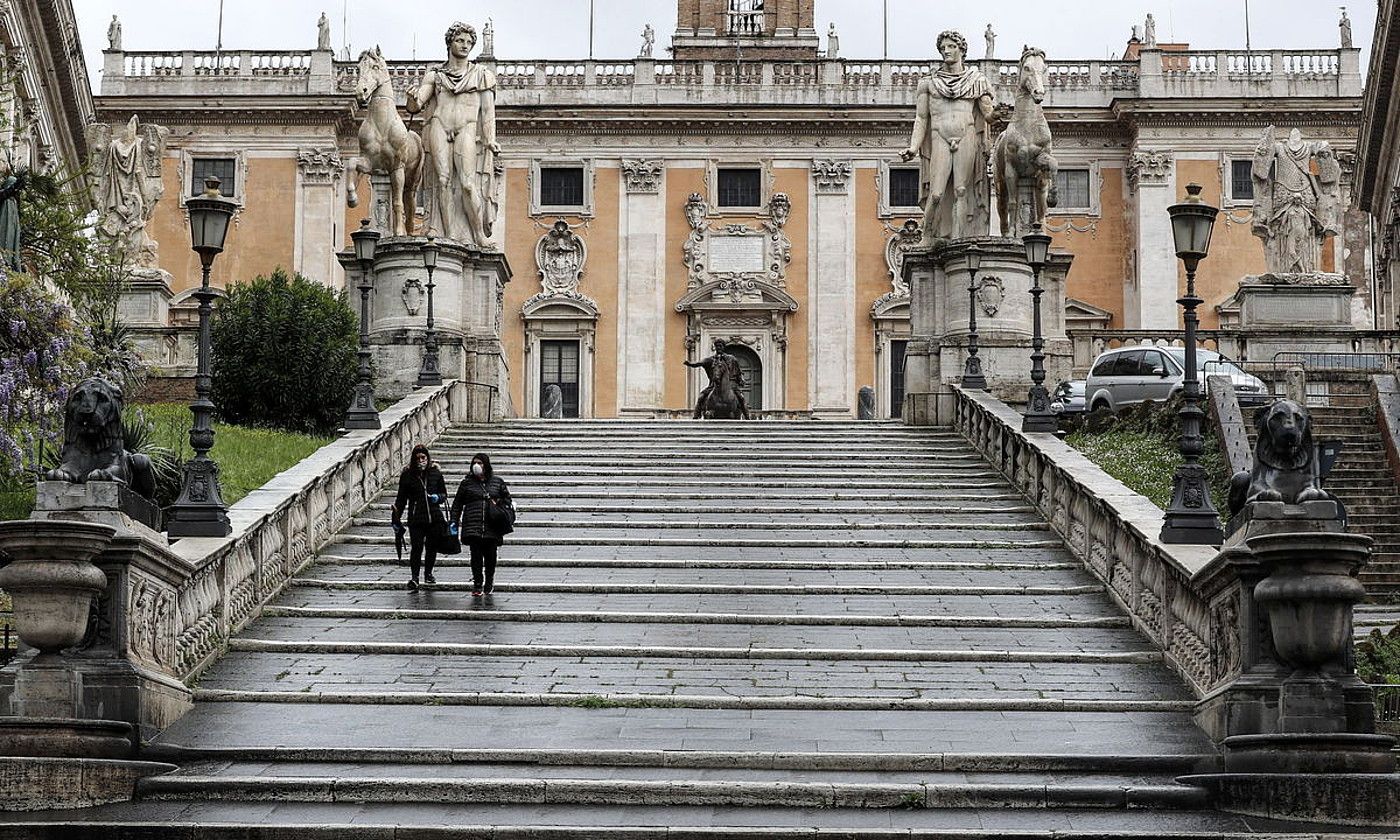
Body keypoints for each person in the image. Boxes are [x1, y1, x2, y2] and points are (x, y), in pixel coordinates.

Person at [406, 22, 500, 247]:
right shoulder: (436, 75)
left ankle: (478, 234)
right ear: (450, 43)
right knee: (442, 181)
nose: (465, 45)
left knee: (468, 183)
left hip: (466, 128)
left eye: (469, 42)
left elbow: (488, 112)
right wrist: (411, 98)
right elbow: (417, 104)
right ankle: (448, 235)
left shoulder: (481, 75)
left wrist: (489, 139)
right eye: (460, 40)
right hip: (440, 124)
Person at [900, 30, 994, 245]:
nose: (946, 51)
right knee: (936, 193)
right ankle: (927, 237)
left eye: (951, 47)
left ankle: (959, 241)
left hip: (967, 135)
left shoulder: (976, 81)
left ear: (961, 49)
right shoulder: (928, 83)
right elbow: (921, 118)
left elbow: (987, 113)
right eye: (943, 48)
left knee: (962, 190)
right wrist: (913, 148)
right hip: (939, 137)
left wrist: (997, 115)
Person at [451, 452, 513, 597]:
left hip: (492, 525)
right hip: (473, 524)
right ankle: (478, 583)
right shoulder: (466, 483)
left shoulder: (497, 482)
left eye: (480, 463)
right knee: (476, 556)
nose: (476, 466)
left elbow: (508, 501)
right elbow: (457, 504)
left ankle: (489, 581)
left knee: (491, 556)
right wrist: (454, 520)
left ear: (486, 465)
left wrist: (498, 503)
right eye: (474, 463)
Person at [391, 444, 448, 591]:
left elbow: (443, 494)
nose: (421, 461)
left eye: (423, 457)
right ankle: (415, 577)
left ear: (428, 458)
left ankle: (428, 572)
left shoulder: (436, 473)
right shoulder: (407, 475)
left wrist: (437, 498)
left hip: (434, 517)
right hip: (416, 518)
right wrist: (396, 515)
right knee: (416, 547)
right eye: (418, 458)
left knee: (431, 547)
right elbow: (401, 499)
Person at [685, 338, 750, 420]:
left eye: (720, 346)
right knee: (701, 397)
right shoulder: (711, 359)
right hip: (714, 384)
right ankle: (696, 416)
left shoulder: (732, 359)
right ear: (715, 347)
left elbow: (739, 371)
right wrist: (690, 364)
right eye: (717, 346)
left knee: (741, 398)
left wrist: (741, 379)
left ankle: (747, 418)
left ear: (723, 347)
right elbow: (700, 363)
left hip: (732, 384)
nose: (719, 347)